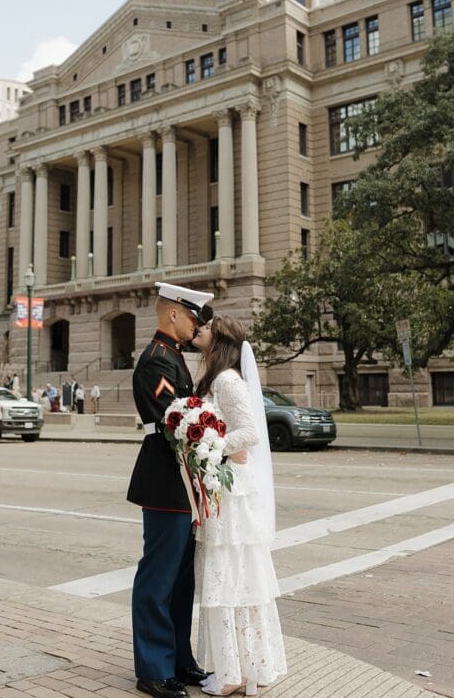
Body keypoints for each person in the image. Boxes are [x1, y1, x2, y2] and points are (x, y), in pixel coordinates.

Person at [190, 316, 287, 696]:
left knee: (227, 578)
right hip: (226, 488)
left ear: (221, 339)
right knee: (228, 579)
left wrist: (208, 445)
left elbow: (249, 432)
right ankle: (237, 666)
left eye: (209, 325)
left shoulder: (228, 380)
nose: (202, 326)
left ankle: (234, 673)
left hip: (232, 495)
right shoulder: (217, 378)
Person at [126, 281, 215, 698]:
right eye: (193, 318)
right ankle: (154, 670)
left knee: (182, 582)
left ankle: (180, 660)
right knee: (158, 579)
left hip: (183, 481)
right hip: (165, 479)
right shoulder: (157, 360)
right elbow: (173, 421)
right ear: (173, 313)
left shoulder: (175, 359)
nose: (195, 327)